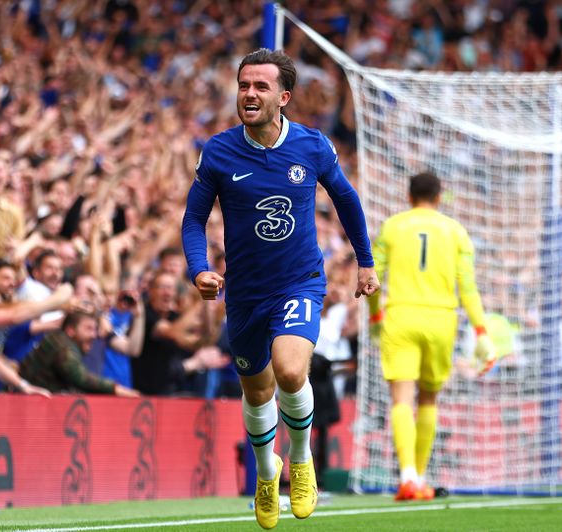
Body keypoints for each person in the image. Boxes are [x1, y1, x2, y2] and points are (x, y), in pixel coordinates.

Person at [181, 48, 378, 529]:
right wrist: (198, 268)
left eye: (260, 87)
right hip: (245, 294)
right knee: (257, 393)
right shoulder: (220, 151)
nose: (249, 93)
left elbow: (347, 200)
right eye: (244, 85)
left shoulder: (312, 147)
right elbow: (193, 218)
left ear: (283, 96)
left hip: (299, 282)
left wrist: (366, 262)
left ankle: (301, 462)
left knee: (291, 372)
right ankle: (267, 475)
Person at [367, 171, 497, 501]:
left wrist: (374, 315)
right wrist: (481, 331)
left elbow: (373, 276)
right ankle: (420, 477)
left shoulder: (393, 226)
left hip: (400, 315)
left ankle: (408, 476)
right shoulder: (456, 231)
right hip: (441, 319)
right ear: (439, 197)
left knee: (401, 399)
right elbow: (467, 286)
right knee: (428, 398)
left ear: (409, 197)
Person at [19, 310, 140, 397]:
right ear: (70, 330)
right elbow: (81, 378)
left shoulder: (63, 342)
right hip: (22, 404)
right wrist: (116, 389)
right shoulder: (62, 345)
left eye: (95, 329)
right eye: (88, 329)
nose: (94, 335)